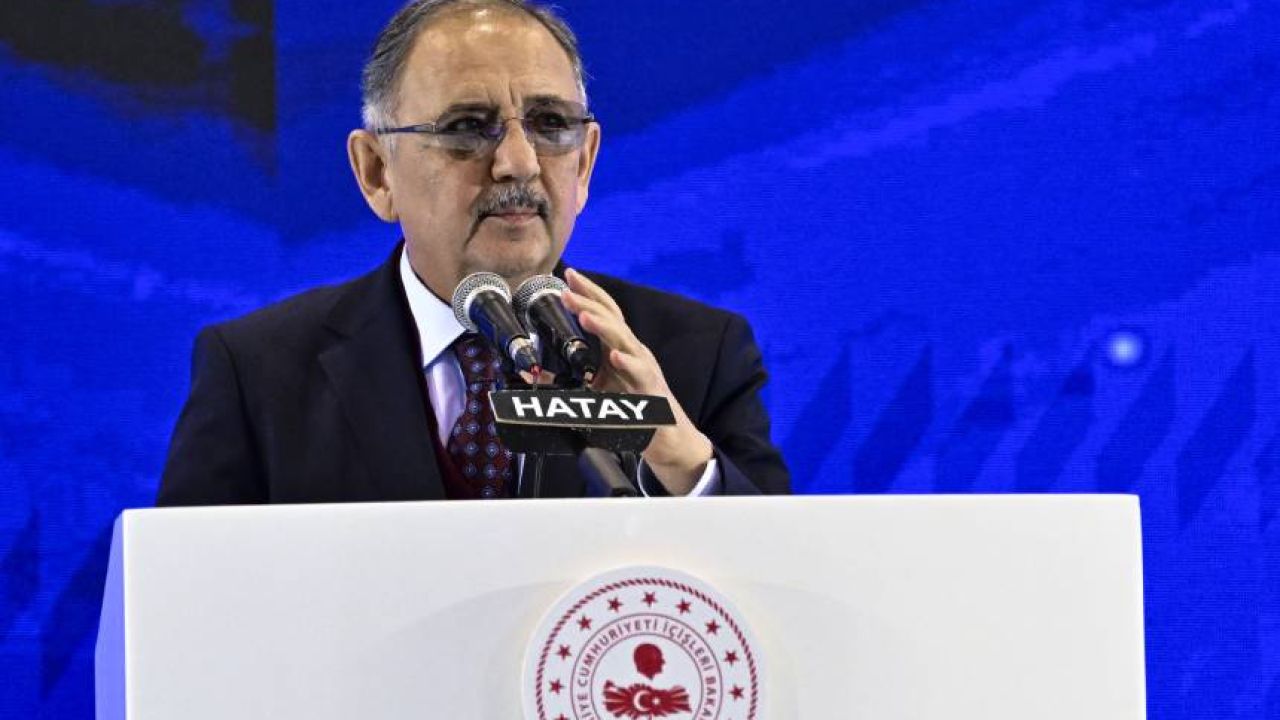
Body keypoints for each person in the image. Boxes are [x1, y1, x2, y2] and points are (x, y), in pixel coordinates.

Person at [157, 0, 789, 505]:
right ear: (376, 172)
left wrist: (683, 462)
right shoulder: (258, 373)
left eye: (550, 125)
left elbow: (779, 597)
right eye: (465, 128)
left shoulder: (697, 355)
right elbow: (185, 604)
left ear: (585, 163)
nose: (518, 162)